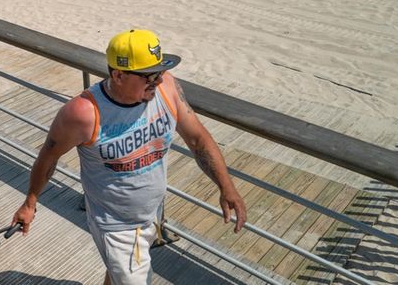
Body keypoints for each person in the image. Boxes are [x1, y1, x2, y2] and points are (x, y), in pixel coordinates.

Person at [12, 29, 247, 285]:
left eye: (159, 71)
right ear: (119, 75)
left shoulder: (167, 88)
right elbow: (49, 156)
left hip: (152, 212)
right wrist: (30, 203)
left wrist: (226, 186)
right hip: (115, 226)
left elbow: (197, 139)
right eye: (149, 76)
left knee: (118, 274)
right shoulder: (83, 114)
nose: (157, 81)